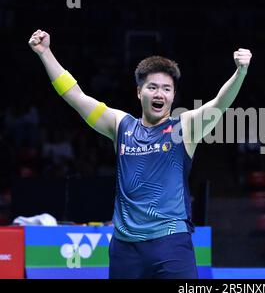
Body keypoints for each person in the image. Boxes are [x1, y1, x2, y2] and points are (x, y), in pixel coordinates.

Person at [28, 29, 252, 278]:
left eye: (167, 89)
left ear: (173, 96)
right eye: (152, 87)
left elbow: (219, 103)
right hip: (125, 249)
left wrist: (240, 72)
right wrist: (45, 53)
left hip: (171, 244)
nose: (159, 94)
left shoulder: (184, 127)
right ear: (138, 92)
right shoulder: (120, 125)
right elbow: (76, 96)